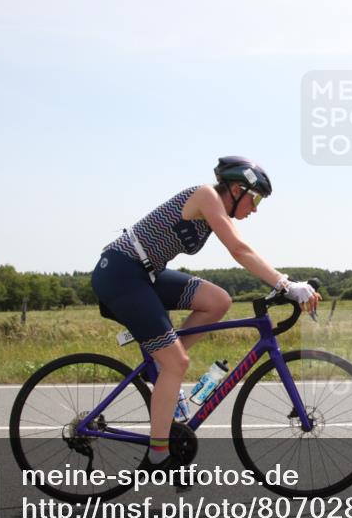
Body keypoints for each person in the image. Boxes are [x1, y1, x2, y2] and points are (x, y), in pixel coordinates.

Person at [91, 157, 321, 465]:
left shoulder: (215, 208)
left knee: (218, 301)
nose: (255, 209)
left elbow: (240, 251)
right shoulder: (205, 196)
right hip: (121, 273)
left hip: (146, 273)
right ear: (237, 189)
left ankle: (161, 365)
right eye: (255, 200)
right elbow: (239, 249)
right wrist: (285, 284)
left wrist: (282, 285)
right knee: (177, 363)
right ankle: (158, 456)